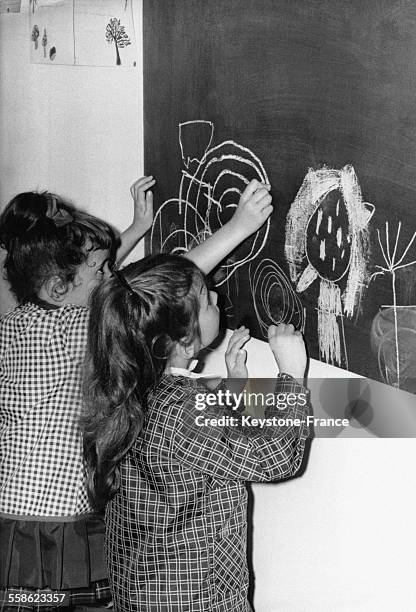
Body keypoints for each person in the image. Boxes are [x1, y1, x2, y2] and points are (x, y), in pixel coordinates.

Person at [0, 177, 272, 611]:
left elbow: (94, 281)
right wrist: (239, 226)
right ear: (59, 286)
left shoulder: (14, 323)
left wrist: (137, 228)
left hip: (12, 521)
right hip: (62, 524)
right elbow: (152, 291)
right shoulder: (80, 329)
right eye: (104, 270)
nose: (115, 277)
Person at [82, 253, 311, 612]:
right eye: (206, 298)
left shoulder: (129, 388)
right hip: (196, 596)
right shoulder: (186, 407)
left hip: (142, 587)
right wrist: (291, 375)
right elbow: (277, 459)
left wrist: (238, 390)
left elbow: (206, 456)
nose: (217, 296)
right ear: (185, 340)